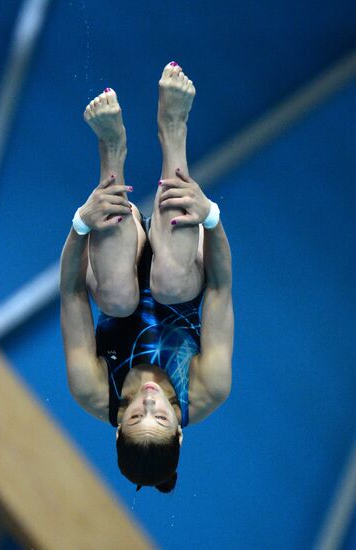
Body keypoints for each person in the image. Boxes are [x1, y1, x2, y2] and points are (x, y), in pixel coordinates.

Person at [60, 62, 234, 493]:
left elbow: (71, 293)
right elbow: (219, 287)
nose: (151, 402)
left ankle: (111, 154)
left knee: (118, 299)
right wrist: (208, 214)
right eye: (162, 416)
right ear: (180, 430)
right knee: (174, 283)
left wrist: (82, 223)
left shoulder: (93, 391)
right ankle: (173, 129)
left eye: (138, 415)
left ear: (118, 426)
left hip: (120, 255)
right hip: (181, 262)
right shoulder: (208, 387)